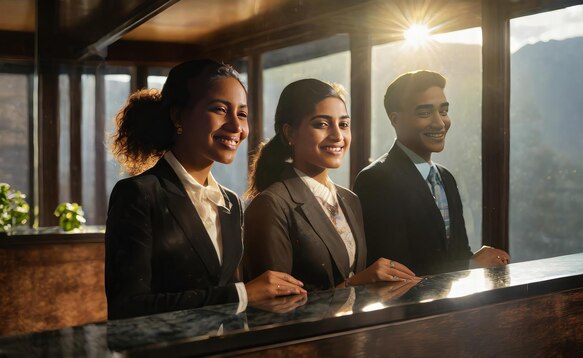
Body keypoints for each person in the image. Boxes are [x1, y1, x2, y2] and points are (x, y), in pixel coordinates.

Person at [105, 59, 305, 320]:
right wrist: (242, 295)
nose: (236, 126)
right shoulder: (138, 193)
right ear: (178, 116)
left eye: (242, 114)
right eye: (220, 109)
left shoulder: (231, 202)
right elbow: (127, 307)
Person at [243, 78, 418, 292]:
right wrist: (356, 283)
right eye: (322, 124)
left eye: (343, 124)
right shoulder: (272, 204)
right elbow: (275, 305)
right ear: (290, 133)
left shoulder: (349, 200)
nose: (337, 136)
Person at [353, 70, 510, 276]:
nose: (439, 123)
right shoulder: (376, 179)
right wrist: (471, 265)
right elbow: (395, 272)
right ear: (395, 119)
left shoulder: (445, 177)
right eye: (425, 113)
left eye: (443, 111)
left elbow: (458, 253)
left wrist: (476, 260)